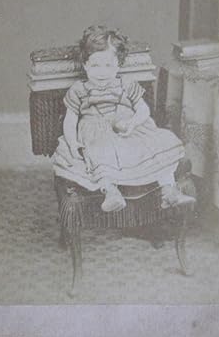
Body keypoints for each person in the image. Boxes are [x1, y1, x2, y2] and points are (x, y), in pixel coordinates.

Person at [52, 25, 187, 212]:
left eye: (108, 65)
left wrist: (133, 123)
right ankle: (110, 191)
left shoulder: (126, 84)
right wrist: (72, 141)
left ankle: (168, 189)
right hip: (95, 131)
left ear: (118, 64)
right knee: (99, 153)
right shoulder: (79, 89)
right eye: (95, 65)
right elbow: (71, 118)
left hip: (127, 128)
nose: (102, 72)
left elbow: (142, 109)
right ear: (85, 65)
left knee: (155, 145)